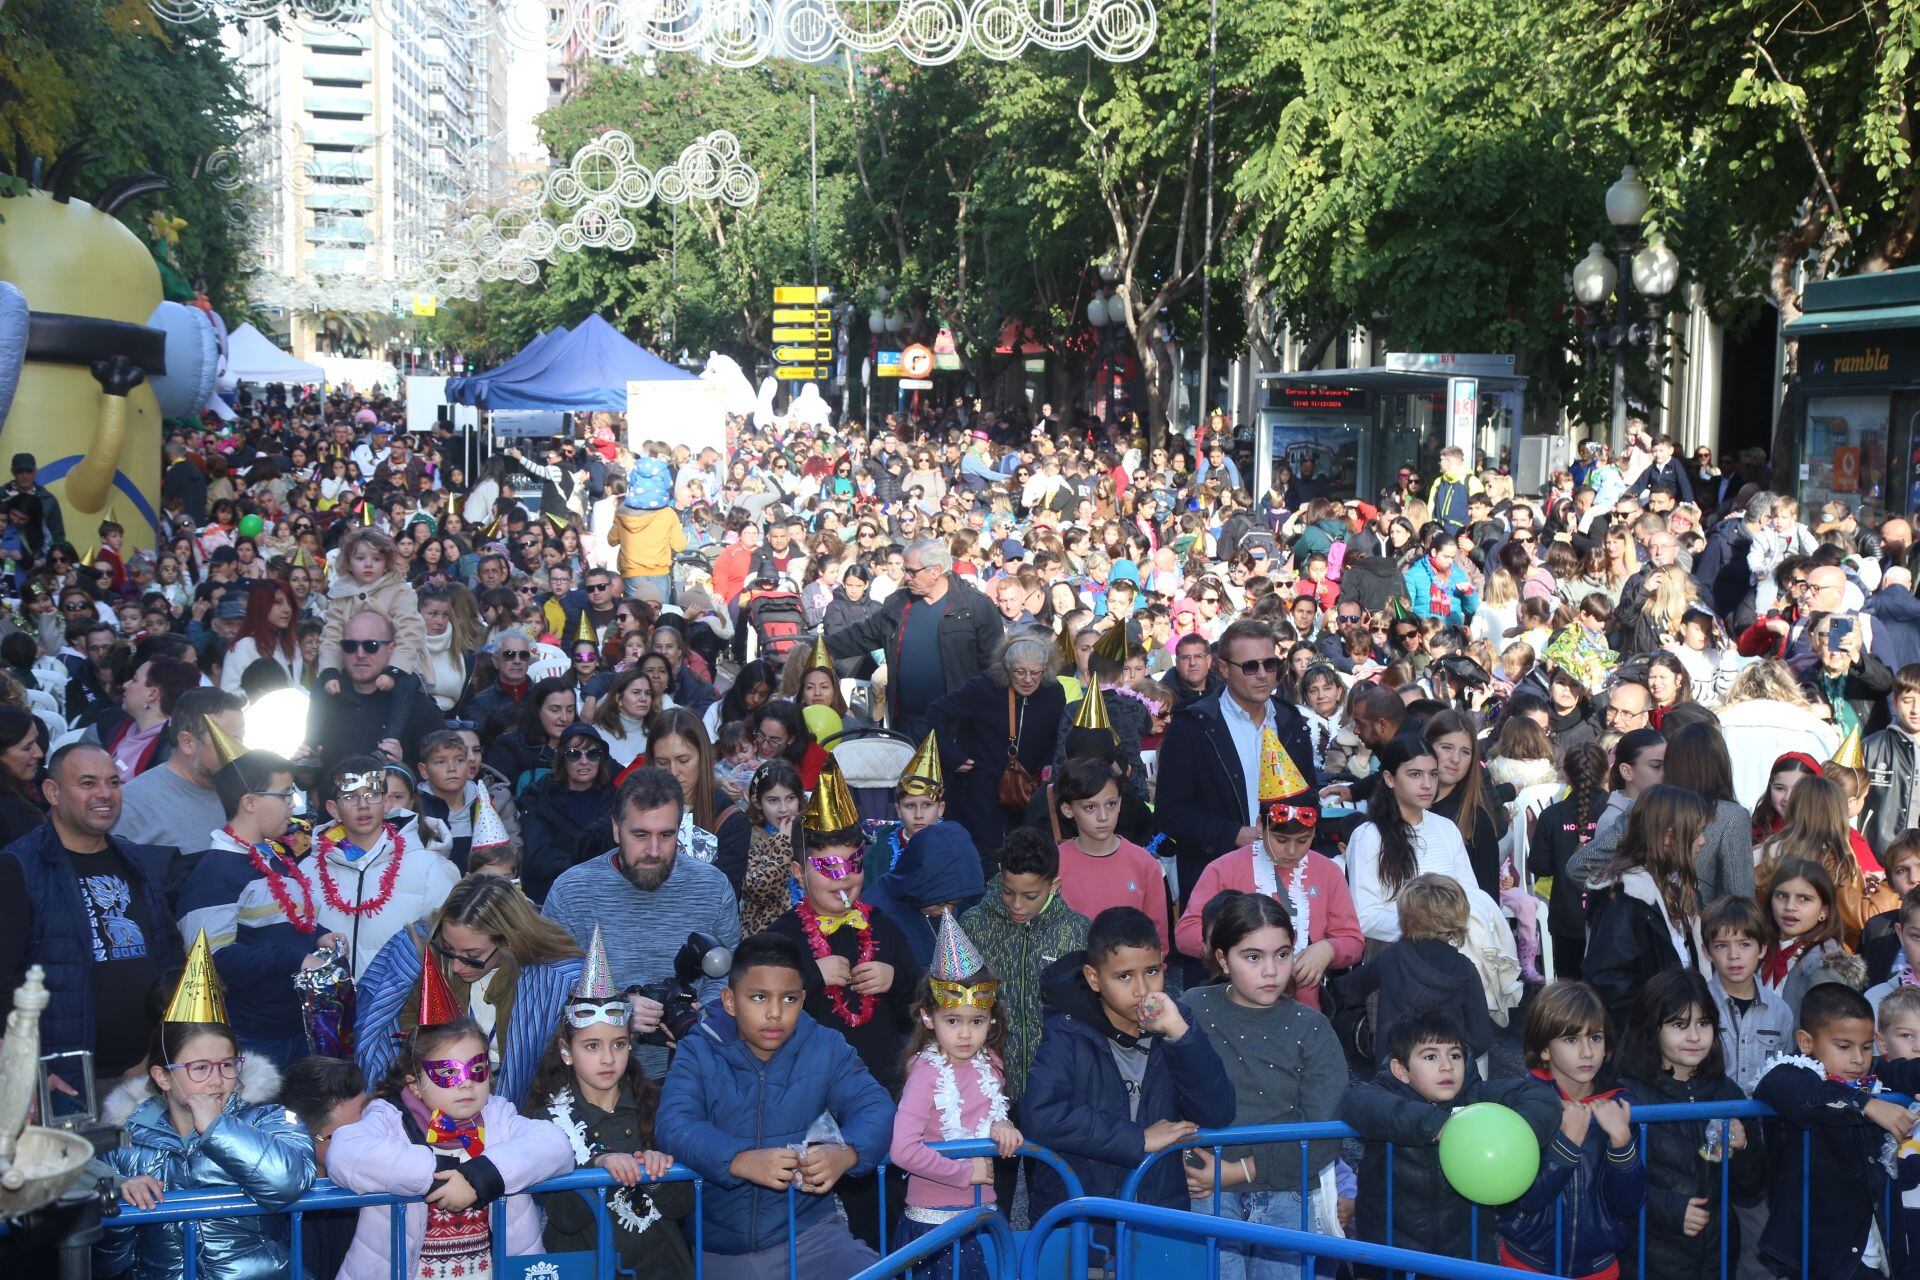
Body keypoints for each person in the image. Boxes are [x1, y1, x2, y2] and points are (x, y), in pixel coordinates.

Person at [655, 930, 896, 1280]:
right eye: (758, 997)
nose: (774, 1014)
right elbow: (674, 1124)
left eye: (788, 1000)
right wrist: (737, 1160)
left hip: (813, 1236)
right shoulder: (698, 1050)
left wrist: (848, 1153)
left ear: (802, 998)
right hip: (721, 1247)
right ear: (730, 1001)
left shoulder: (825, 1045)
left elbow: (875, 1106)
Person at [325, 961, 574, 1280]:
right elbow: (344, 1153)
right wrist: (437, 1174)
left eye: (477, 1069)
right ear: (415, 1082)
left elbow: (556, 1146)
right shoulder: (388, 1117)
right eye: (447, 1073)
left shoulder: (498, 1113)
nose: (467, 1083)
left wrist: (480, 1177)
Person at [96, 938, 316, 1280]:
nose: (217, 1081)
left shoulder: (269, 1120)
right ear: (163, 1077)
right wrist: (121, 1207)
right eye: (200, 1068)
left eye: (227, 1065)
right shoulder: (125, 1144)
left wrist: (218, 1129)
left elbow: (289, 1181)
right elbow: (107, 1264)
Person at [763, 760, 918, 1246]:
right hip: (804, 1106)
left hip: (878, 1097)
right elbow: (760, 1011)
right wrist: (807, 976)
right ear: (797, 872)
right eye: (828, 867)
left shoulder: (886, 928)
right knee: (814, 1231)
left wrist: (896, 980)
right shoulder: (780, 940)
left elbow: (918, 1013)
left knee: (882, 1220)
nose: (844, 879)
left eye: (852, 864)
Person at [1020, 905, 1236, 1225]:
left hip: (1158, 1217)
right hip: (1083, 1222)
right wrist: (1137, 1139)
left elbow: (1218, 1112)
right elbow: (1039, 1115)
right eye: (1124, 976)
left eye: (1152, 971)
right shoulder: (1067, 1030)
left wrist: (1180, 1036)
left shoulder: (1177, 1023)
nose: (1142, 989)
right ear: (1094, 978)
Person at [1181, 892, 1346, 1279]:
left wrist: (1239, 1172)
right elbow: (1166, 1088)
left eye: (1283, 954)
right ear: (1223, 958)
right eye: (1253, 957)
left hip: (1289, 1195)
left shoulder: (1313, 1028)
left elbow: (1324, 1132)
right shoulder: (1191, 1009)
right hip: (1206, 1190)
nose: (1271, 971)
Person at [540, 767, 742, 1079]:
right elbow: (547, 995)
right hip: (595, 1079)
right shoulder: (572, 892)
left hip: (693, 1071)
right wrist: (615, 1013)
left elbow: (728, 976)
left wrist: (704, 1017)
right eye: (640, 835)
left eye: (666, 835)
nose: (653, 851)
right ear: (616, 829)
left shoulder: (712, 888)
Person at [0, 742, 183, 1079]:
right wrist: (28, 1069)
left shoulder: (138, 860)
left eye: (113, 782)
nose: (105, 794)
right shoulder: (18, 867)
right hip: (63, 1077)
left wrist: (169, 1048)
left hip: (149, 1069)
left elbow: (170, 955)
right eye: (87, 783)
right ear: (53, 792)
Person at [524, 926, 695, 1278]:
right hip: (586, 1267)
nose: (607, 1059)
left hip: (661, 1267)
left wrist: (655, 1170)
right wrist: (598, 1169)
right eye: (591, 1046)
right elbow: (566, 1217)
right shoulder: (545, 1121)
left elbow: (683, 1205)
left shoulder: (654, 1104)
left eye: (618, 1044)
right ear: (566, 1052)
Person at [1343, 1010, 1559, 1267]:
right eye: (1431, 1056)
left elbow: (1542, 1099)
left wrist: (1514, 1134)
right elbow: (1357, 1102)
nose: (1447, 1066)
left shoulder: (1476, 1096)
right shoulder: (1382, 1096)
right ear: (1401, 1070)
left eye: (1455, 1055)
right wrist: (1437, 1125)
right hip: (1393, 1261)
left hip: (1465, 1261)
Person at [176, 747, 345, 1070]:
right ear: (250, 802)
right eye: (283, 795)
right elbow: (213, 960)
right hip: (252, 1037)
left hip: (296, 1026)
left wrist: (318, 937)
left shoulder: (274, 859)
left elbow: (282, 925)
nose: (293, 805)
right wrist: (294, 958)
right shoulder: (216, 871)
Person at [353, 873, 583, 1110]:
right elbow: (387, 1027)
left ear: (509, 941)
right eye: (449, 950)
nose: (456, 966)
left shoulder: (556, 979)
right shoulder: (421, 954)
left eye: (472, 957)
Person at [1172, 728, 1361, 1011]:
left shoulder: (1328, 872)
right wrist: (1232, 948)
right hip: (1234, 1004)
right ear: (1261, 828)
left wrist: (1328, 949)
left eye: (1303, 840)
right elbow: (1186, 931)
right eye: (1282, 840)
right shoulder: (1224, 869)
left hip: (1306, 1008)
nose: (1292, 850)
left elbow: (1352, 939)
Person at [1753, 983, 1920, 1280]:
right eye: (1844, 1046)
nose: (1858, 1058)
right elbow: (1797, 1092)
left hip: (1876, 1250)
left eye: (1867, 1047)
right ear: (1806, 1042)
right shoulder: (1787, 1072)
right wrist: (1866, 1104)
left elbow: (1910, 1072)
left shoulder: (1870, 1075)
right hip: (1820, 1257)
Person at [887, 913, 1022, 1280]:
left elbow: (982, 1112)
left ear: (991, 1020)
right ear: (929, 1018)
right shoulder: (926, 1074)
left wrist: (1002, 1124)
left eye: (976, 1021)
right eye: (953, 1021)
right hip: (935, 1224)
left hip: (981, 1216)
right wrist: (966, 1172)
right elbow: (902, 1150)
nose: (965, 1035)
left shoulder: (990, 1062)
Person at [959, 826, 1089, 1206]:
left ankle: (1047, 1263)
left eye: (1030, 896)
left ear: (1055, 885)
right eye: (1008, 891)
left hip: (1054, 1089)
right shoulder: (974, 925)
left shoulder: (1077, 934)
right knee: (986, 1196)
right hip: (988, 1086)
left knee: (1051, 1194)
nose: (1017, 904)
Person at [1155, 619, 1316, 910]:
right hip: (1219, 878)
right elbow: (1171, 813)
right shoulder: (1192, 727)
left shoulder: (1291, 721)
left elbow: (1309, 796)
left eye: (1271, 665)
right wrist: (1233, 835)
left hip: (1288, 873)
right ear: (1224, 669)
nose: (1263, 675)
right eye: (1250, 667)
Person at [1614, 969, 1761, 1280]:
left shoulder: (1727, 1093)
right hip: (1649, 1261)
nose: (1694, 1036)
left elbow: (1752, 1188)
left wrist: (1745, 1146)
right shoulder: (1628, 1098)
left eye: (1703, 1023)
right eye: (1679, 1025)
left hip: (1718, 1259)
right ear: (1652, 1028)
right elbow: (1610, 1183)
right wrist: (1669, 1209)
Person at [1496, 981, 1645, 1278]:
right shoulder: (1523, 1105)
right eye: (1571, 1040)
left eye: (1596, 1038)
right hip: (1526, 1265)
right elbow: (1523, 1201)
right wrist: (1566, 1148)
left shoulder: (1620, 1105)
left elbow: (1630, 1204)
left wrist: (1621, 1143)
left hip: (1599, 1268)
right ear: (1544, 1049)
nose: (1587, 1052)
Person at [825, 536, 1005, 741]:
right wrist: (817, 647)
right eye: (905, 570)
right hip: (907, 725)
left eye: (911, 571)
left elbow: (995, 667)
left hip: (958, 727)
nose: (906, 576)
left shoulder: (975, 606)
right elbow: (860, 636)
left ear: (935, 571)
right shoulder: (898, 604)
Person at [311, 756, 459, 980]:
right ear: (333, 808)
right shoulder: (307, 870)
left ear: (387, 803)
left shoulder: (429, 868)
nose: (363, 806)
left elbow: (447, 945)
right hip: (330, 1006)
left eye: (372, 795)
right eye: (350, 797)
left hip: (400, 1006)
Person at [1581, 785, 1710, 1024]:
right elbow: (1609, 980)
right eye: (1698, 832)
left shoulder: (1680, 887)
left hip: (1680, 1028)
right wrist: (1652, 1027)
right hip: (1647, 1038)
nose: (1703, 841)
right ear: (1669, 836)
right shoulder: (1624, 894)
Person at [927, 633, 1065, 855]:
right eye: (1019, 672)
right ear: (1007, 668)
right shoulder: (985, 687)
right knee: (986, 850)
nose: (1028, 679)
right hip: (981, 784)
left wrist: (1049, 765)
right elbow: (937, 712)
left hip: (1029, 786)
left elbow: (1056, 735)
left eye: (1035, 672)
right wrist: (953, 755)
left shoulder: (1053, 692)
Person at [1346, 873, 1494, 1070]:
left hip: (1396, 1070)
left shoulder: (1392, 956)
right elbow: (1481, 1038)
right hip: (1446, 1074)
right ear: (1458, 917)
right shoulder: (1465, 968)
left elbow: (1351, 988)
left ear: (1405, 917)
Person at [859, 735, 985, 967]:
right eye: (910, 806)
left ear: (942, 808)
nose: (918, 815)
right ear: (897, 810)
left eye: (927, 805)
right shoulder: (880, 851)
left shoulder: (954, 847)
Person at [1345, 735, 1479, 944]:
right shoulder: (1368, 836)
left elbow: (1470, 895)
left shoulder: (1446, 828)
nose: (1427, 784)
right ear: (1389, 779)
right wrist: (1428, 927)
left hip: (1453, 948)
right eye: (1415, 774)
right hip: (1397, 955)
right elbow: (1365, 917)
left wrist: (1448, 927)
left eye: (1433, 774)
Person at [305, 611, 447, 771]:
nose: (360, 654)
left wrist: (402, 766)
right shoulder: (326, 698)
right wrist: (305, 771)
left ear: (391, 649)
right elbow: (309, 776)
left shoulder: (419, 708)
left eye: (371, 646)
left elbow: (439, 777)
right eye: (350, 646)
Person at [112, 687, 246, 856]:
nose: (239, 750)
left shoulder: (246, 793)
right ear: (187, 742)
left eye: (241, 739)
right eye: (229, 740)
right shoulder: (132, 807)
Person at [1053, 757, 1169, 949]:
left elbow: (1157, 938)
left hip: (1131, 972)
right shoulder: (1055, 864)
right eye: (1090, 807)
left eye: (1110, 804)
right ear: (1067, 809)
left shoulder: (1143, 863)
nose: (1103, 816)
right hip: (1071, 973)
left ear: (1120, 803)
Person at [277, 1056, 368, 1280]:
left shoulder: (380, 1189)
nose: (369, 1143)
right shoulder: (279, 1211)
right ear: (304, 1138)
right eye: (350, 1136)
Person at [646, 709, 750, 890]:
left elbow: (728, 895)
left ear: (703, 757)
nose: (673, 771)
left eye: (683, 760)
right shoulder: (633, 808)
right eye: (662, 763)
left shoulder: (730, 820)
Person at [1700, 895, 1793, 1095]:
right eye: (1721, 946)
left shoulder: (1780, 1011)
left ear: (1762, 949)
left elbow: (1785, 1073)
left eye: (1744, 944)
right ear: (1707, 952)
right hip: (1711, 1120)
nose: (1734, 955)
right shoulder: (1697, 1004)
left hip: (1763, 1122)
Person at [519, 723, 619, 902]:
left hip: (606, 890)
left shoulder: (615, 797)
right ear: (562, 758)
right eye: (574, 754)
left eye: (592, 754)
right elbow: (539, 855)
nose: (584, 761)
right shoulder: (538, 796)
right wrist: (584, 869)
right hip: (553, 890)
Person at [316, 527, 427, 681]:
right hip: (353, 669)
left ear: (387, 563)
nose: (368, 564)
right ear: (348, 562)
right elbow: (332, 635)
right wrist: (330, 670)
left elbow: (410, 633)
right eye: (360, 558)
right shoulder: (340, 593)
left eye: (377, 559)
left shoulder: (399, 591)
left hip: (399, 669)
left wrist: (395, 670)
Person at [1759, 857, 1853, 1018]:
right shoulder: (1759, 949)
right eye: (1782, 896)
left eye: (1804, 899)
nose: (1790, 907)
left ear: (1824, 911)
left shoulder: (1826, 964)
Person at [1862, 662, 1920, 861]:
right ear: (1894, 703)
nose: (1915, 709)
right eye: (1907, 700)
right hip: (1880, 862)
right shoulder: (1871, 747)